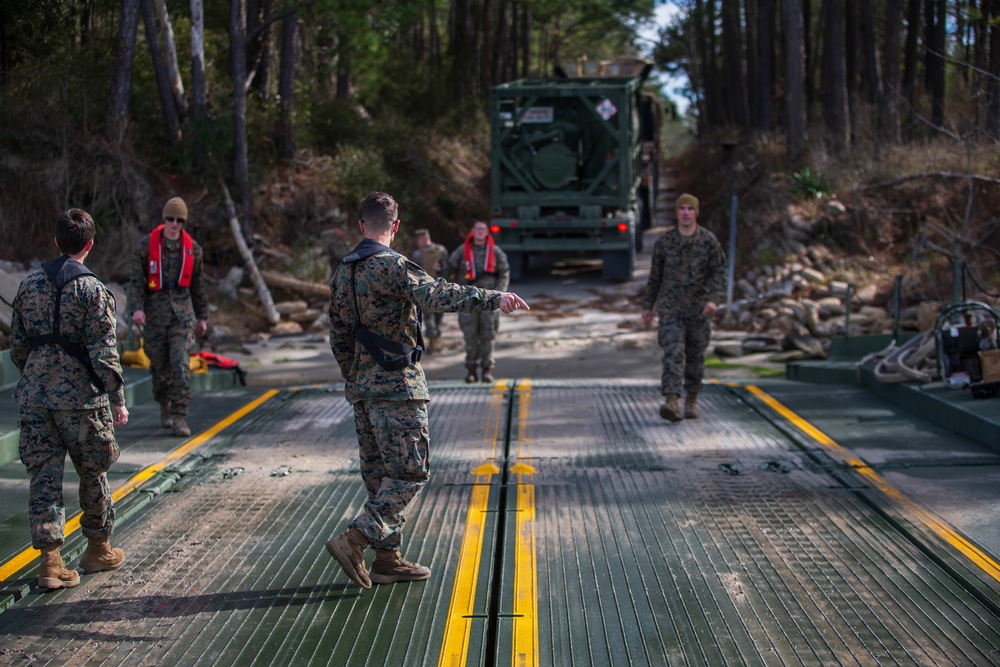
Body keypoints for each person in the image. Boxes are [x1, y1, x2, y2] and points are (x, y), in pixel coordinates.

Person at [326, 192, 528, 588]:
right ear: (396, 226)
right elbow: (438, 294)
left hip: (363, 388)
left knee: (381, 477)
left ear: (362, 226)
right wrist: (494, 298)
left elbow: (337, 336)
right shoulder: (394, 266)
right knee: (410, 473)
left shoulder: (343, 272)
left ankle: (388, 558)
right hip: (399, 386)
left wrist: (356, 375)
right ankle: (355, 539)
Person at [10, 208, 130, 589]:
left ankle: (50, 563)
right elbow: (105, 354)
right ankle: (98, 549)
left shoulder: (28, 286)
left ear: (56, 242)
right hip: (83, 402)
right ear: (90, 245)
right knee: (93, 473)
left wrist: (39, 376)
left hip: (36, 398)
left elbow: (18, 347)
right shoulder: (94, 291)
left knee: (43, 477)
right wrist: (118, 399)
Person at [642, 193, 727, 422]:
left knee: (695, 355)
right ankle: (671, 400)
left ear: (696, 212)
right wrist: (648, 306)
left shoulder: (709, 242)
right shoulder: (665, 242)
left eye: (690, 208)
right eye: (682, 209)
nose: (686, 212)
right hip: (671, 309)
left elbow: (719, 273)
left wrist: (714, 300)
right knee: (673, 352)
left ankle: (692, 399)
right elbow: (655, 277)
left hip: (699, 309)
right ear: (677, 213)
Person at [128, 197, 208, 437]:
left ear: (184, 222)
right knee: (160, 369)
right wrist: (136, 309)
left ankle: (180, 416)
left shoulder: (193, 249)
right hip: (154, 315)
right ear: (164, 220)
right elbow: (136, 282)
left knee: (181, 366)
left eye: (179, 220)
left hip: (182, 317)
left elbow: (198, 286)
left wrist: (202, 316)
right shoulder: (145, 247)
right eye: (170, 219)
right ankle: (165, 406)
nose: (174, 223)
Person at [445, 220, 510, 383]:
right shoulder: (462, 251)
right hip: (468, 300)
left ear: (487, 232)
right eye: (477, 229)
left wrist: (498, 293)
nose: (480, 232)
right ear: (472, 231)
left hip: (489, 301)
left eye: (483, 229)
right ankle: (471, 370)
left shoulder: (495, 251)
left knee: (488, 335)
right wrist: (440, 268)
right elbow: (449, 269)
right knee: (470, 335)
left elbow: (504, 273)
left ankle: (487, 369)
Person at [410, 229, 447, 352]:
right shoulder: (441, 250)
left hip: (425, 289)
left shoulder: (417, 254)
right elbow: (448, 268)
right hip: (440, 288)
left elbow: (414, 273)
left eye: (418, 240)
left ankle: (433, 340)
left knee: (429, 316)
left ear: (422, 239)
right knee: (437, 315)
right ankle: (434, 339)